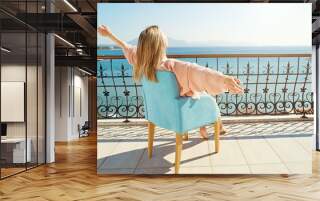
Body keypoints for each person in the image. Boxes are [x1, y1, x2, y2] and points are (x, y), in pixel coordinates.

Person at [98, 25, 243, 139]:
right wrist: (223, 79)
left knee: (200, 93)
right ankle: (209, 126)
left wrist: (109, 35)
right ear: (161, 43)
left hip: (160, 108)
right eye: (164, 35)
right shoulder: (172, 65)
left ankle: (205, 127)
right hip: (179, 104)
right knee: (206, 97)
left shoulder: (143, 62)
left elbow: (126, 47)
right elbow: (199, 72)